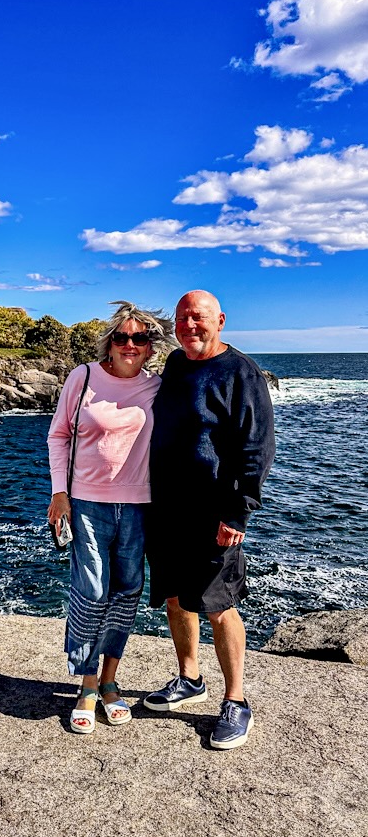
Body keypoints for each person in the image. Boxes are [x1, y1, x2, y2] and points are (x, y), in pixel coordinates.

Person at [144, 290, 275, 750]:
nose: (188, 325)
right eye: (181, 319)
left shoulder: (242, 373)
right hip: (166, 508)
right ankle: (189, 678)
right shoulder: (176, 365)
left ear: (219, 320)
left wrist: (237, 510)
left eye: (197, 317)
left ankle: (236, 701)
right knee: (176, 597)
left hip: (215, 511)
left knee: (218, 604)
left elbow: (256, 448)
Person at [47, 301, 175, 734]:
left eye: (141, 338)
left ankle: (109, 682)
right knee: (91, 590)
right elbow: (59, 435)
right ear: (110, 341)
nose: (131, 345)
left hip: (141, 506)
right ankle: (85, 686)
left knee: (126, 592)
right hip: (87, 504)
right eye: (122, 337)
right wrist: (59, 494)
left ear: (152, 346)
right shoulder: (83, 377)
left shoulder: (158, 387)